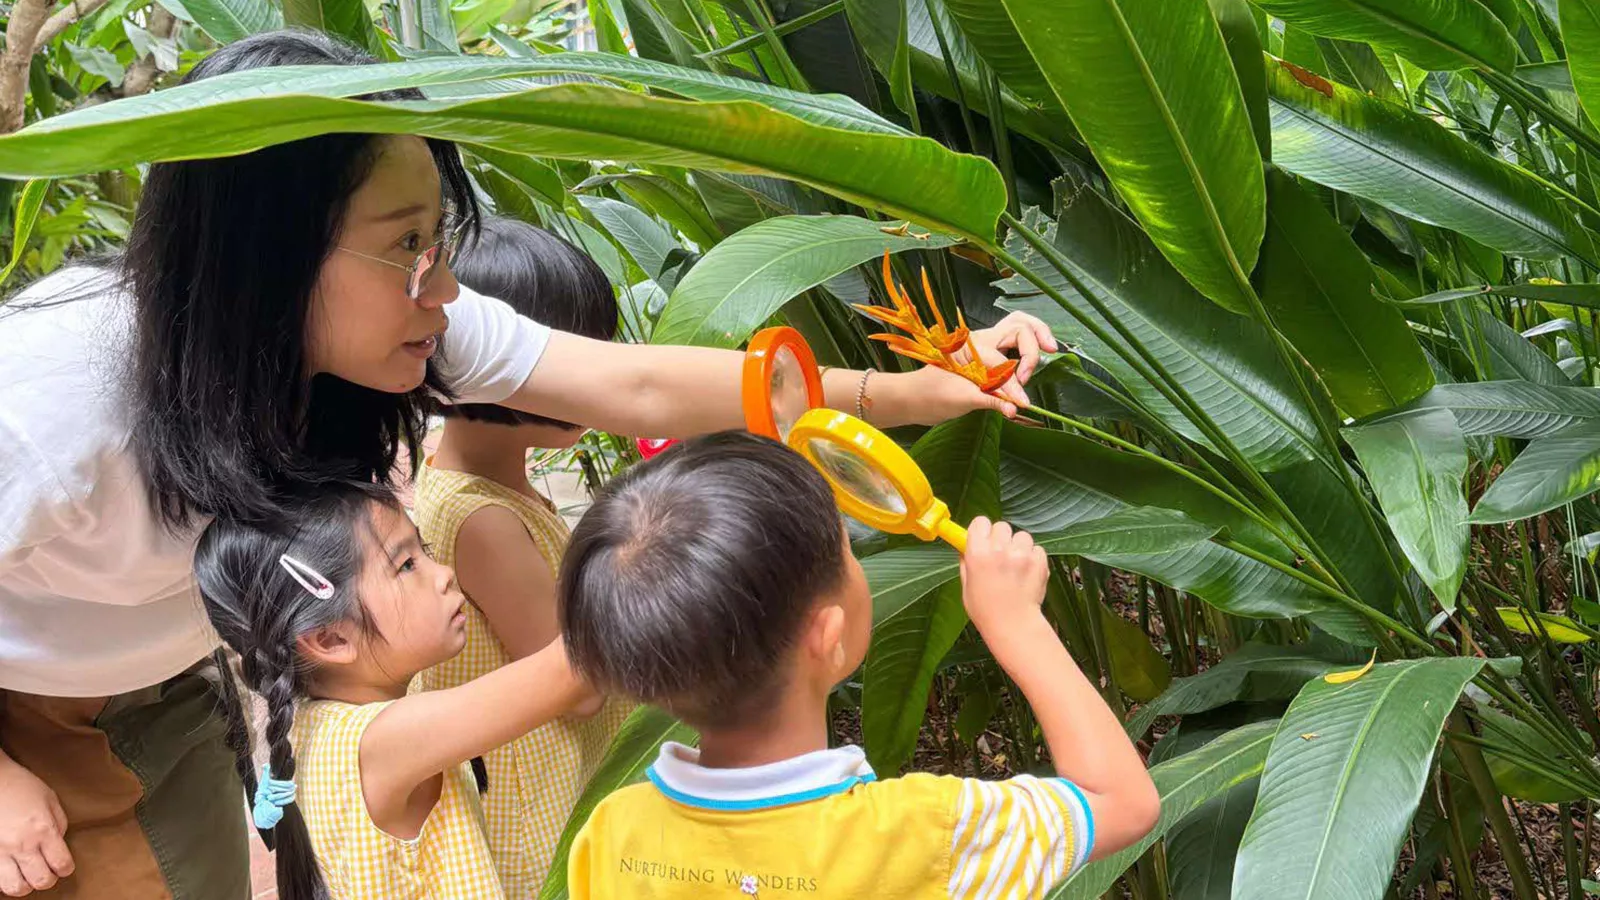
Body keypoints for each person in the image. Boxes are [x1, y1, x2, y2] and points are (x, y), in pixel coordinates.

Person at [0, 28, 1056, 899]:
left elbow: (632, 387)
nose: (443, 285)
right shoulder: (55, 403)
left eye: (440, 236)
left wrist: (914, 389)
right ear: (271, 256)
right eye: (405, 243)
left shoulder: (379, 331)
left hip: (157, 675)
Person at [558, 433, 1160, 899]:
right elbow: (1124, 803)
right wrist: (1017, 623)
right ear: (827, 634)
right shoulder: (927, 834)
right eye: (848, 554)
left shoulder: (613, 834)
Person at [194, 482, 587, 900]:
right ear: (331, 640)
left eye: (426, 550)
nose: (444, 574)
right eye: (406, 566)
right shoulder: (380, 742)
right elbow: (568, 670)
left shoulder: (317, 724)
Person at [411, 215, 631, 895]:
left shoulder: (473, 477)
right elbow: (582, 687)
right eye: (557, 359)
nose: (583, 379)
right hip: (544, 807)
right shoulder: (483, 520)